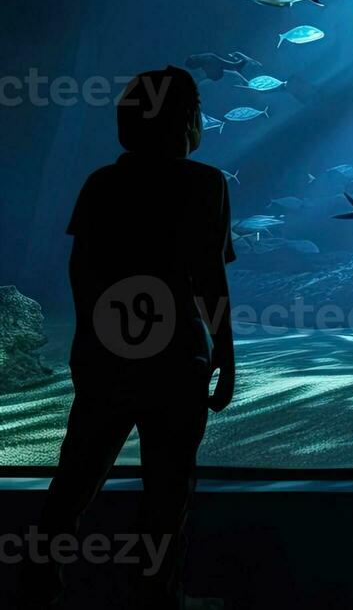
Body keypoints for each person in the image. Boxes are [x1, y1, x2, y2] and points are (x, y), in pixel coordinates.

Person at [22, 66, 238, 610]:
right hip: (177, 358)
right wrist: (226, 352)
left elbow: (81, 271)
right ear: (188, 121)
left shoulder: (103, 182)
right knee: (167, 491)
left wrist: (91, 340)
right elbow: (209, 277)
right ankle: (156, 596)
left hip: (107, 354)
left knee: (75, 478)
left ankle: (34, 587)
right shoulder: (205, 183)